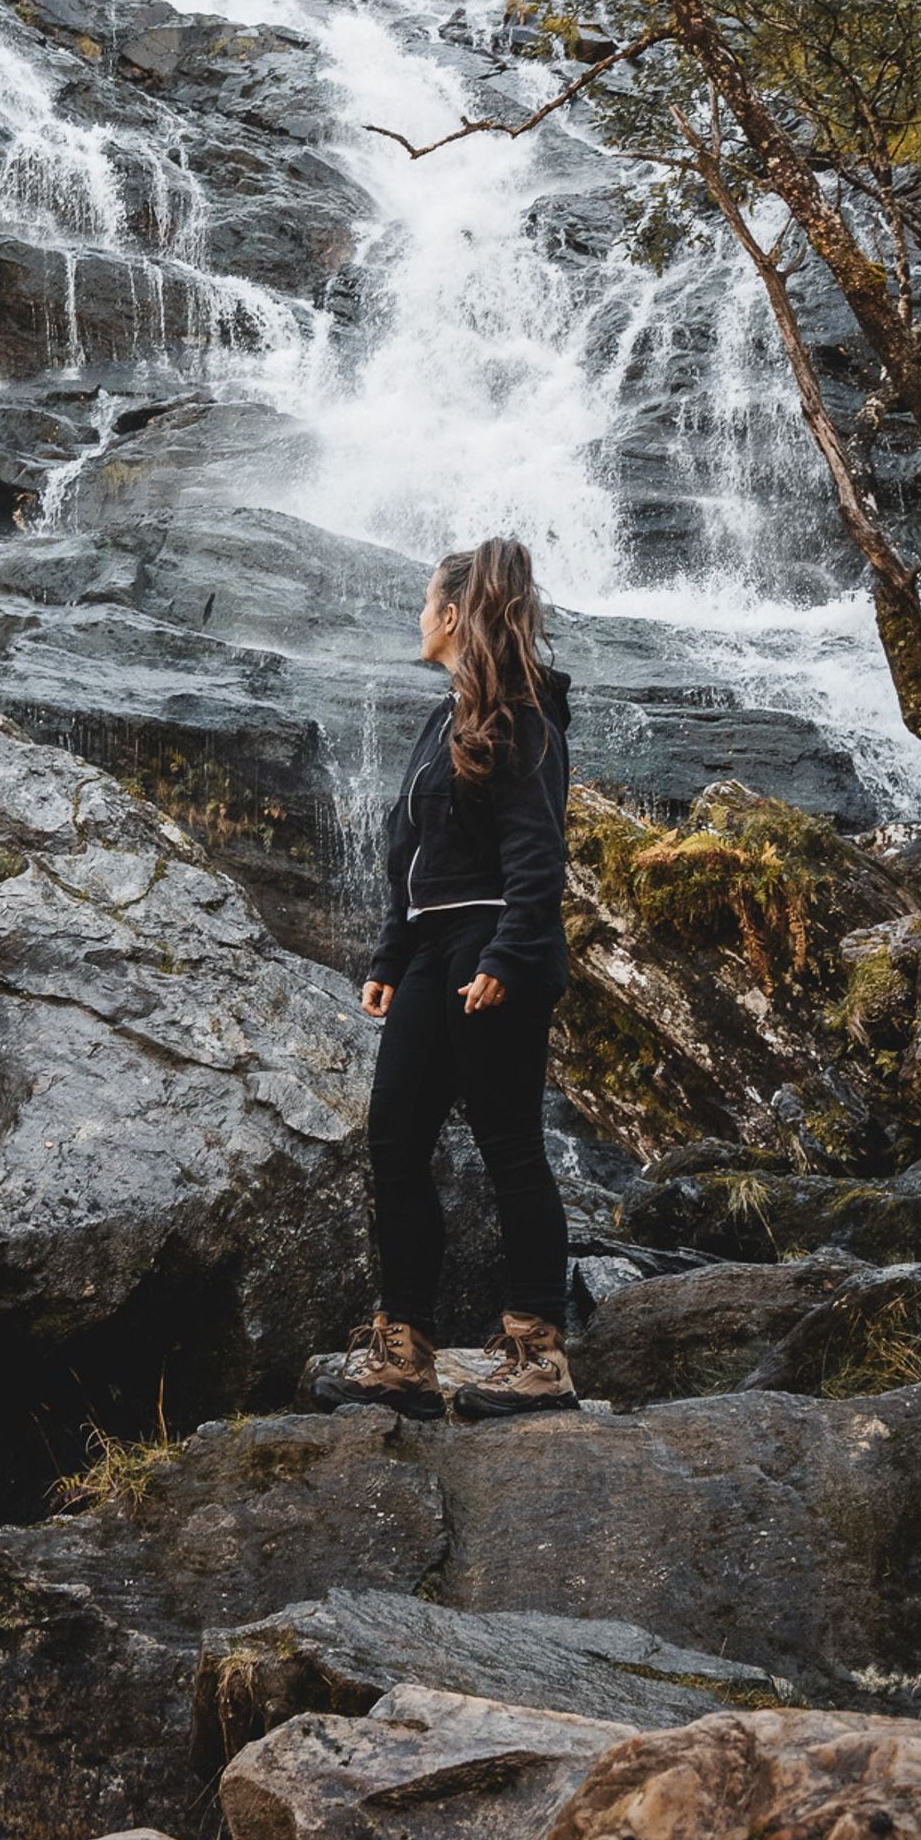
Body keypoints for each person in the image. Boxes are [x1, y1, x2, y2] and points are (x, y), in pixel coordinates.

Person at [318, 537, 576, 1424]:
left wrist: (507, 955)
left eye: (427, 601)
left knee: (510, 1146)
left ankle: (539, 1356)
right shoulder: (443, 720)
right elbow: (410, 855)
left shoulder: (527, 713)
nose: (417, 615)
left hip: (496, 946)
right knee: (393, 1138)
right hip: (432, 950)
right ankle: (406, 1354)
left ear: (455, 614)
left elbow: (538, 854)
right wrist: (391, 954)